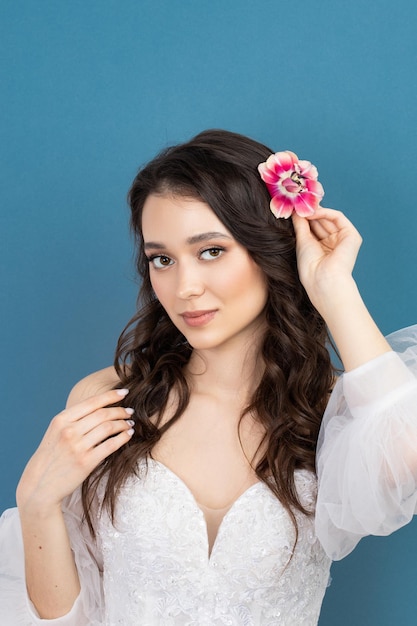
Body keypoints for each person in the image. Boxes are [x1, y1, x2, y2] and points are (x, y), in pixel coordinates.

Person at [1, 129, 417, 626]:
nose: (185, 288)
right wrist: (36, 503)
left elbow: (406, 456)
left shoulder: (330, 410)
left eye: (211, 251)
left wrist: (333, 288)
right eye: (162, 260)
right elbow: (68, 616)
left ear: (269, 250)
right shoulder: (110, 399)